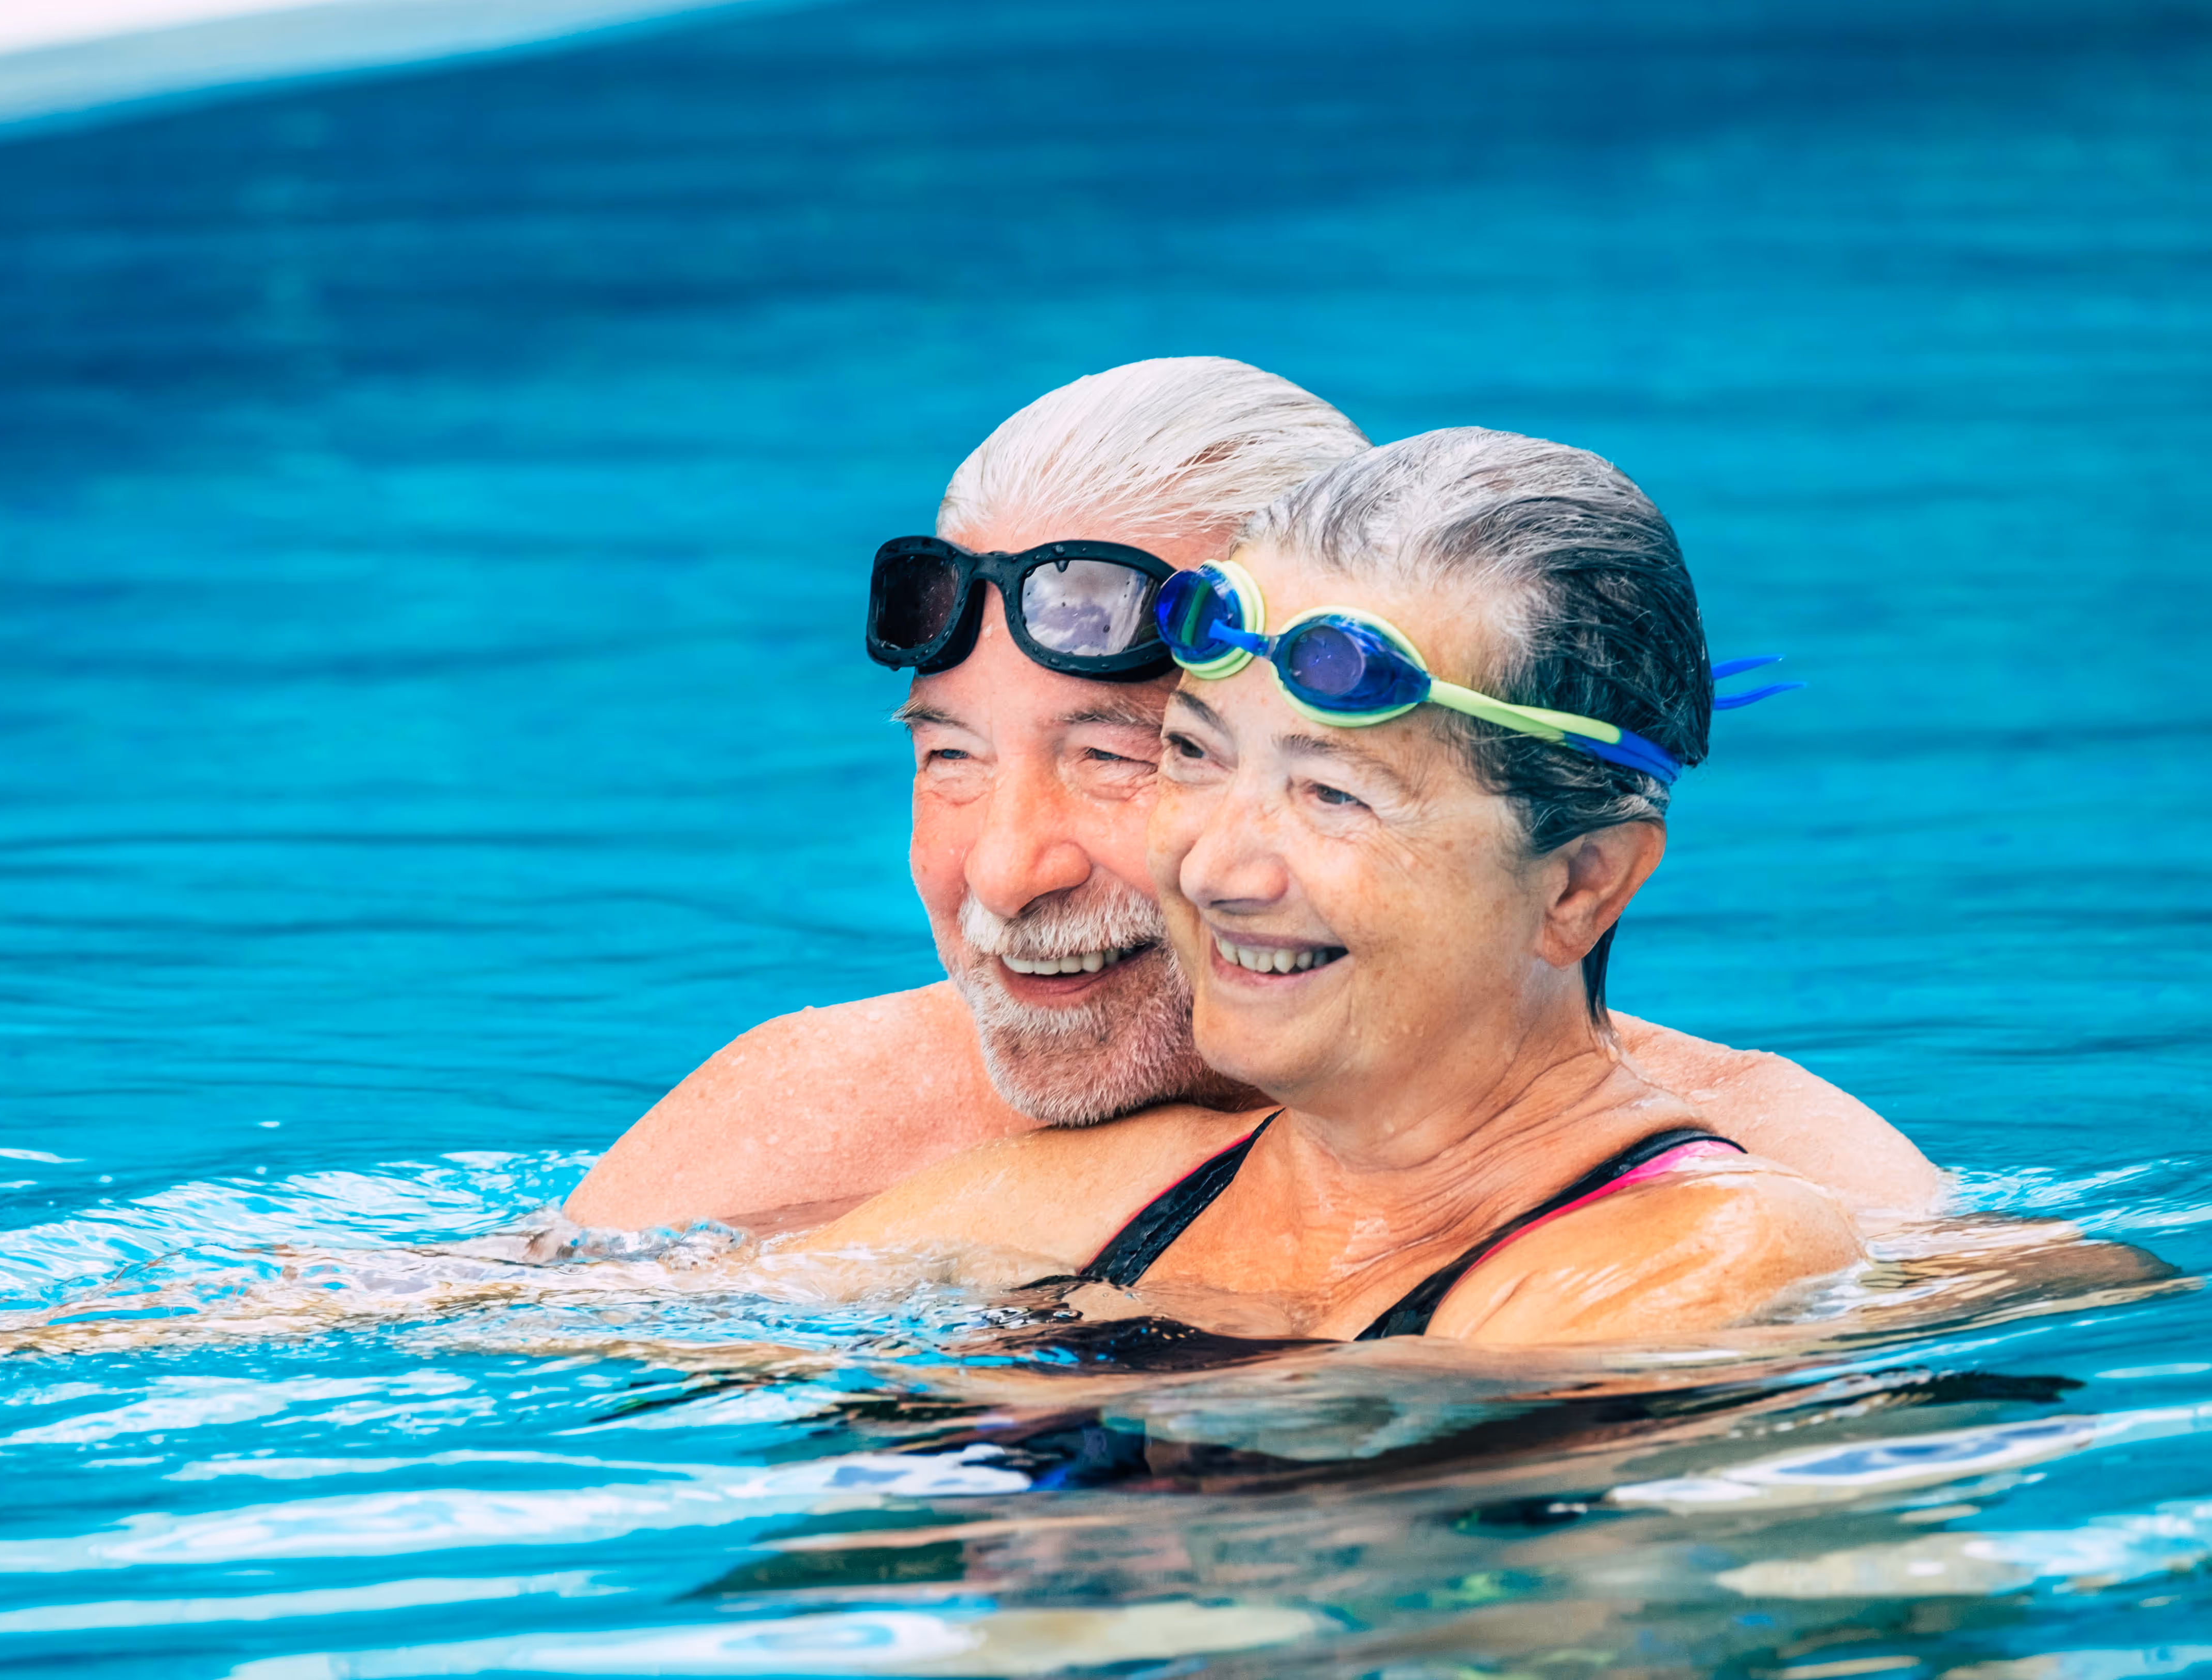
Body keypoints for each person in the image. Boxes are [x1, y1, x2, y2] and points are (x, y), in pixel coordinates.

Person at [567, 361, 1939, 1233]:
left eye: (1126, 757)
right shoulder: (819, 1117)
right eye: (951, 760)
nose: (1003, 873)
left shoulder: (1764, 1190)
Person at [799, 430, 1866, 1344]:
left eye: (1332, 795)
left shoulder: (1713, 1253)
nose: (1215, 871)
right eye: (1193, 754)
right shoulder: (1076, 1197)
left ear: (1581, 885)